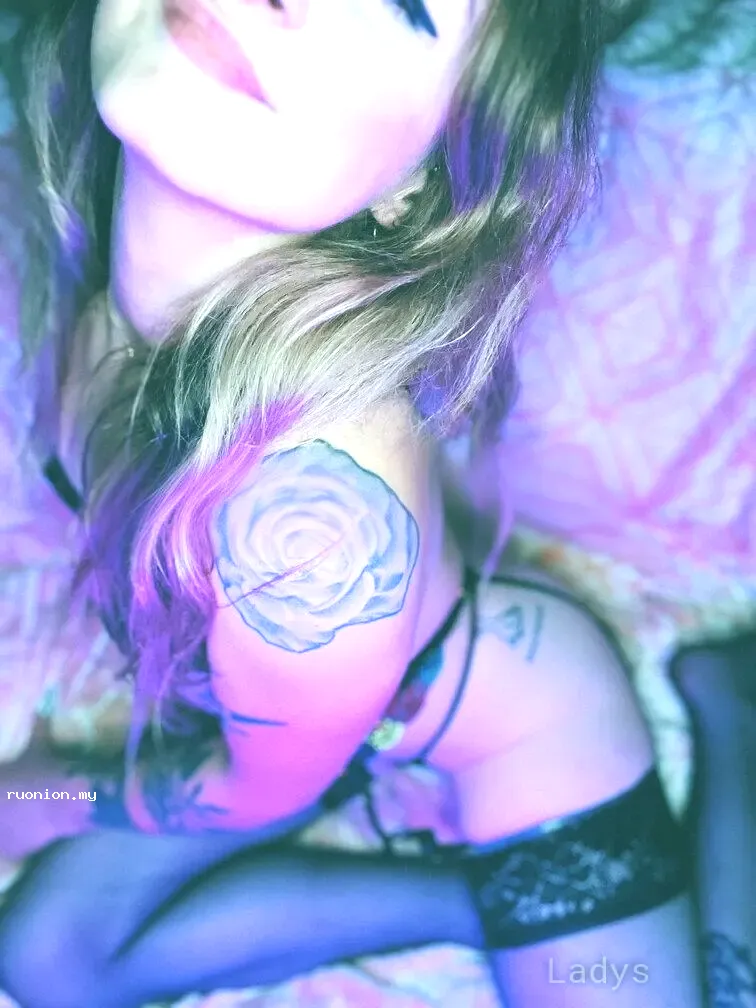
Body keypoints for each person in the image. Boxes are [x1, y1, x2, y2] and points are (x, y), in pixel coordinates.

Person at [0, 1, 703, 1007]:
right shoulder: (91, 280)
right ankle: (488, 903)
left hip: (518, 729)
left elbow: (255, 790)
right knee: (46, 962)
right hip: (320, 720)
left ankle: (728, 722)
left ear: (421, 186)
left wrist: (49, 793)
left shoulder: (312, 534)